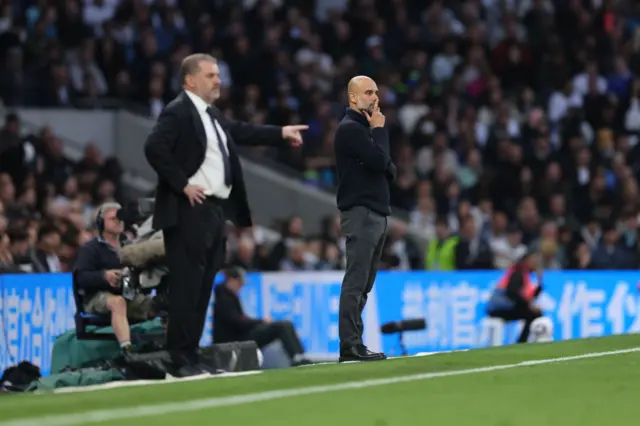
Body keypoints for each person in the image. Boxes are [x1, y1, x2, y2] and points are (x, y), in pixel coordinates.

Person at [144, 53, 307, 377]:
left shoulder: (212, 114)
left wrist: (280, 132)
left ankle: (191, 354)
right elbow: (154, 147)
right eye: (210, 75)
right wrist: (183, 184)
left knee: (203, 286)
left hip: (215, 212)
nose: (218, 80)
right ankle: (179, 356)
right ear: (191, 80)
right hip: (190, 209)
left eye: (218, 75)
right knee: (187, 287)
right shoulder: (178, 111)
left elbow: (242, 131)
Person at [333, 76, 396, 362]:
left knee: (365, 285)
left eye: (376, 92)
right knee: (356, 282)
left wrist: (379, 145)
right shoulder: (351, 130)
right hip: (361, 213)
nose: (374, 97)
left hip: (377, 214)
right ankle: (349, 345)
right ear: (353, 98)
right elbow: (381, 163)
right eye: (368, 92)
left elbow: (390, 170)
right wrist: (380, 132)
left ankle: (355, 342)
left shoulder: (366, 130)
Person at [73, 202, 154, 354]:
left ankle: (175, 348)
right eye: (113, 218)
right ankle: (127, 350)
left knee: (161, 305)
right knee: (118, 302)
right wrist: (104, 276)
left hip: (128, 294)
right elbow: (81, 277)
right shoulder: (90, 249)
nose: (118, 221)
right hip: (96, 297)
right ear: (101, 223)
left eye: (120, 218)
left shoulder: (130, 246)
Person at [213, 267, 311, 366]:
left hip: (239, 335)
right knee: (283, 326)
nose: (241, 287)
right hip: (235, 339)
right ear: (232, 280)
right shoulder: (224, 298)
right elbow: (237, 322)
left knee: (284, 325)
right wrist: (260, 322)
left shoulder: (225, 295)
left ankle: (298, 356)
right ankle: (297, 356)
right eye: (240, 283)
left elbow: (239, 321)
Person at [485, 250, 543, 344]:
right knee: (532, 314)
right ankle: (522, 342)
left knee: (532, 314)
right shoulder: (518, 273)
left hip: (506, 306)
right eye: (533, 260)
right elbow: (511, 293)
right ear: (526, 260)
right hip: (498, 307)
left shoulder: (524, 274)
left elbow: (529, 297)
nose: (535, 263)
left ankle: (523, 341)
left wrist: (540, 282)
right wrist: (528, 306)